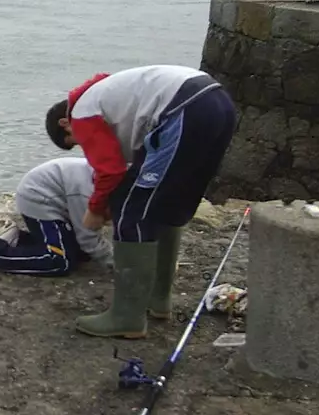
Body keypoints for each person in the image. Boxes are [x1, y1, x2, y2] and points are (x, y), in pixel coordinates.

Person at [45, 65, 238, 339]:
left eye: (74, 142)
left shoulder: (81, 114)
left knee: (130, 211)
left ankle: (127, 317)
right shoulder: (106, 97)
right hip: (217, 102)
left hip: (183, 109)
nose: (83, 147)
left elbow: (110, 171)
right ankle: (158, 300)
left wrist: (96, 210)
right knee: (167, 203)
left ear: (65, 124)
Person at [0, 156, 113, 275]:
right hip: (39, 201)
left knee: (80, 254)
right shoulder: (86, 193)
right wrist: (118, 265)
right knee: (59, 262)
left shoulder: (111, 179)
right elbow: (87, 235)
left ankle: (17, 238)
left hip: (55, 197)